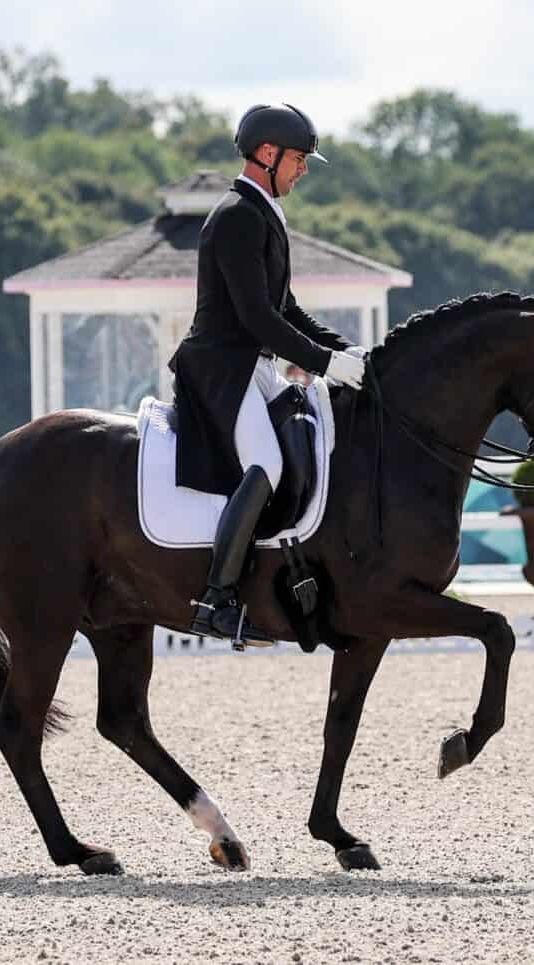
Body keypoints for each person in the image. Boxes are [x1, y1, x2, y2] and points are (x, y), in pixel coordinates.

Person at [168, 103, 368, 641]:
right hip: (219, 369)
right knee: (267, 461)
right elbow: (257, 316)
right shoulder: (236, 215)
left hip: (252, 367)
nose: (304, 169)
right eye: (300, 159)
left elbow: (288, 311)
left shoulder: (262, 213)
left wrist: (353, 355)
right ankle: (218, 598)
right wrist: (326, 364)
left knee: (312, 438)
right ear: (267, 154)